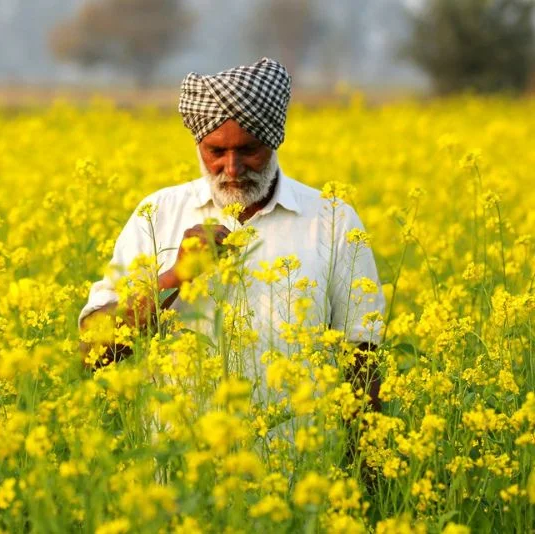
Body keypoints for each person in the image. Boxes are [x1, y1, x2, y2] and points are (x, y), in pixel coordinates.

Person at [78, 58, 385, 413]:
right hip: (181, 460)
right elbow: (92, 352)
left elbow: (362, 360)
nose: (232, 168)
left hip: (298, 462)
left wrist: (366, 463)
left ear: (274, 140)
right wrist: (174, 277)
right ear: (199, 147)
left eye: (249, 150)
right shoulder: (158, 214)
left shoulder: (333, 221)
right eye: (216, 152)